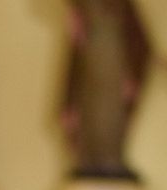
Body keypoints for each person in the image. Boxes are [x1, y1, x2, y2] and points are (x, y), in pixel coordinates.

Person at [61, 0, 151, 179]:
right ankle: (89, 160)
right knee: (90, 112)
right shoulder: (82, 13)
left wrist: (134, 71)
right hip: (91, 62)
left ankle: (111, 160)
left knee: (111, 115)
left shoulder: (122, 8)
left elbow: (139, 38)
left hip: (115, 62)